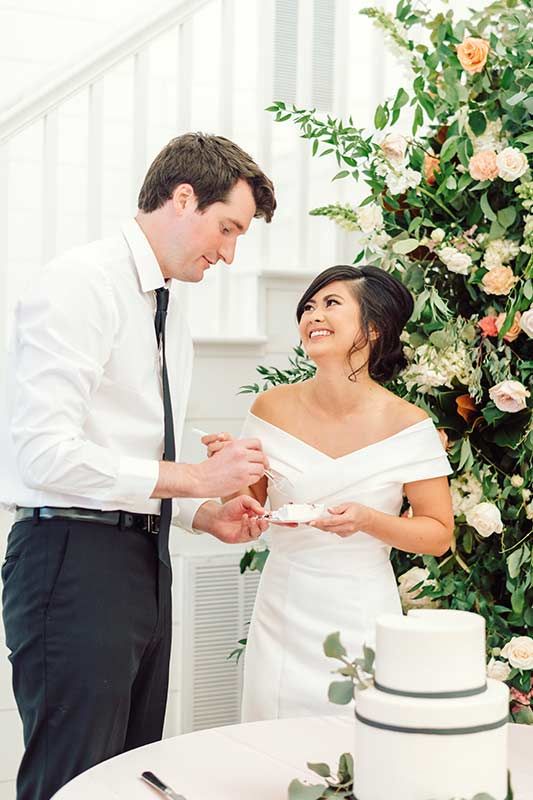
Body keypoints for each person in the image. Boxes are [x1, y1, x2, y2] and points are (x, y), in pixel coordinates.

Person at [0, 133, 275, 799]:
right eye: (227, 227)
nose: (229, 253)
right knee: (72, 778)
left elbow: (127, 454)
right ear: (184, 198)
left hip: (139, 563)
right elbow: (44, 454)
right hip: (70, 559)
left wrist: (201, 514)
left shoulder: (163, 304)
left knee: (129, 776)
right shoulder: (81, 282)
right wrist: (194, 480)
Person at [203, 264, 454, 721]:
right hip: (283, 605)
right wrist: (227, 470)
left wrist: (369, 521)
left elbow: (439, 535)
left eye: (331, 304)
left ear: (374, 327)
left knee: (358, 746)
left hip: (362, 608)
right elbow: (247, 508)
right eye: (309, 306)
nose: (313, 314)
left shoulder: (409, 426)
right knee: (269, 746)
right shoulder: (270, 407)